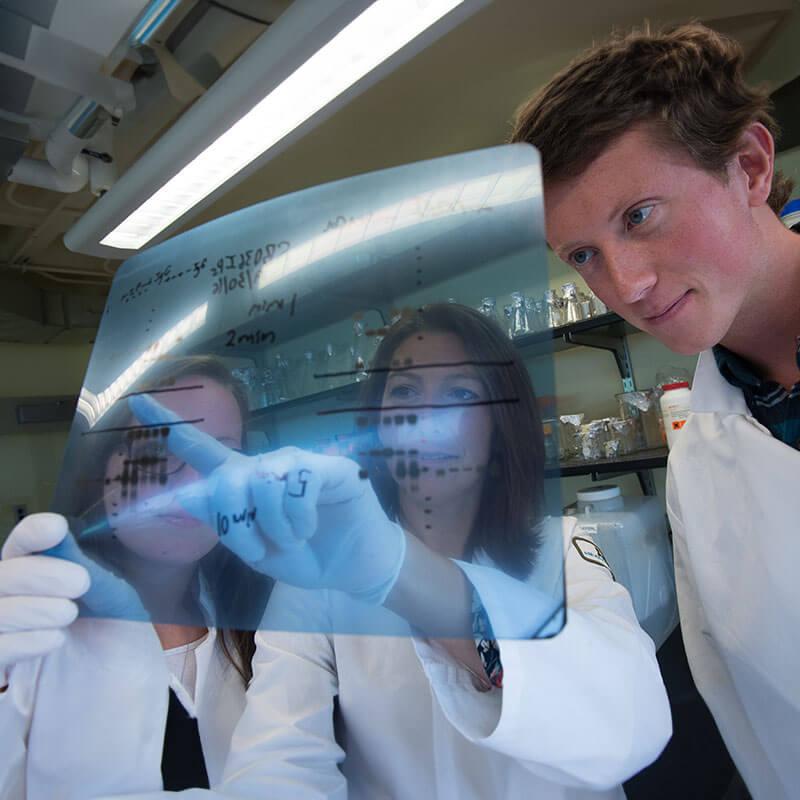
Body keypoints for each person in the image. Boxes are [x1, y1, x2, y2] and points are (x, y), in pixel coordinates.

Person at [132, 302, 670, 798]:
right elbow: (279, 753)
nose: (424, 417)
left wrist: (400, 574)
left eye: (461, 393)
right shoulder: (316, 580)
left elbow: (630, 726)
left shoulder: (564, 550)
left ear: (501, 425)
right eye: (406, 393)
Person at [510, 22, 800, 799]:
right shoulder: (700, 461)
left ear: (749, 165)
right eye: (583, 255)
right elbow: (747, 708)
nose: (628, 284)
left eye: (640, 215)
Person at [0, 356, 271, 799]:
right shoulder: (32, 638)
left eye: (218, 455)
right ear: (99, 467)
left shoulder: (264, 618)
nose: (192, 485)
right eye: (155, 452)